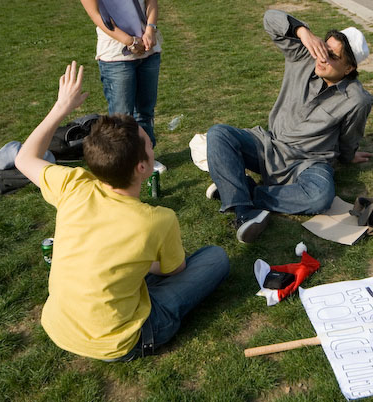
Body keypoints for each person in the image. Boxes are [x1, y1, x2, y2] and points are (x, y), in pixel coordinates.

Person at [15, 62, 229, 361]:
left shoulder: (73, 184)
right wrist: (143, 264)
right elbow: (174, 271)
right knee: (215, 258)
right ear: (143, 168)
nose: (153, 146)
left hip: (58, 326)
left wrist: (61, 107)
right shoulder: (158, 219)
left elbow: (24, 158)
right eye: (149, 144)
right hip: (124, 341)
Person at [206, 9, 373, 244]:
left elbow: (349, 135)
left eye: (333, 56)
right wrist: (303, 32)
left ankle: (240, 191)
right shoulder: (303, 56)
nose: (323, 58)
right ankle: (244, 212)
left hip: (308, 163)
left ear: (349, 69)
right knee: (219, 134)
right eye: (324, 49)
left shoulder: (357, 99)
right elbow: (270, 19)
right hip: (268, 145)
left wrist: (349, 156)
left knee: (320, 197)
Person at [80, 0, 166, 171]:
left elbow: (151, 2)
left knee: (145, 111)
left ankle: (145, 158)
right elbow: (96, 15)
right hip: (116, 57)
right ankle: (124, 164)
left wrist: (150, 29)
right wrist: (129, 41)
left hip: (149, 51)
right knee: (121, 117)